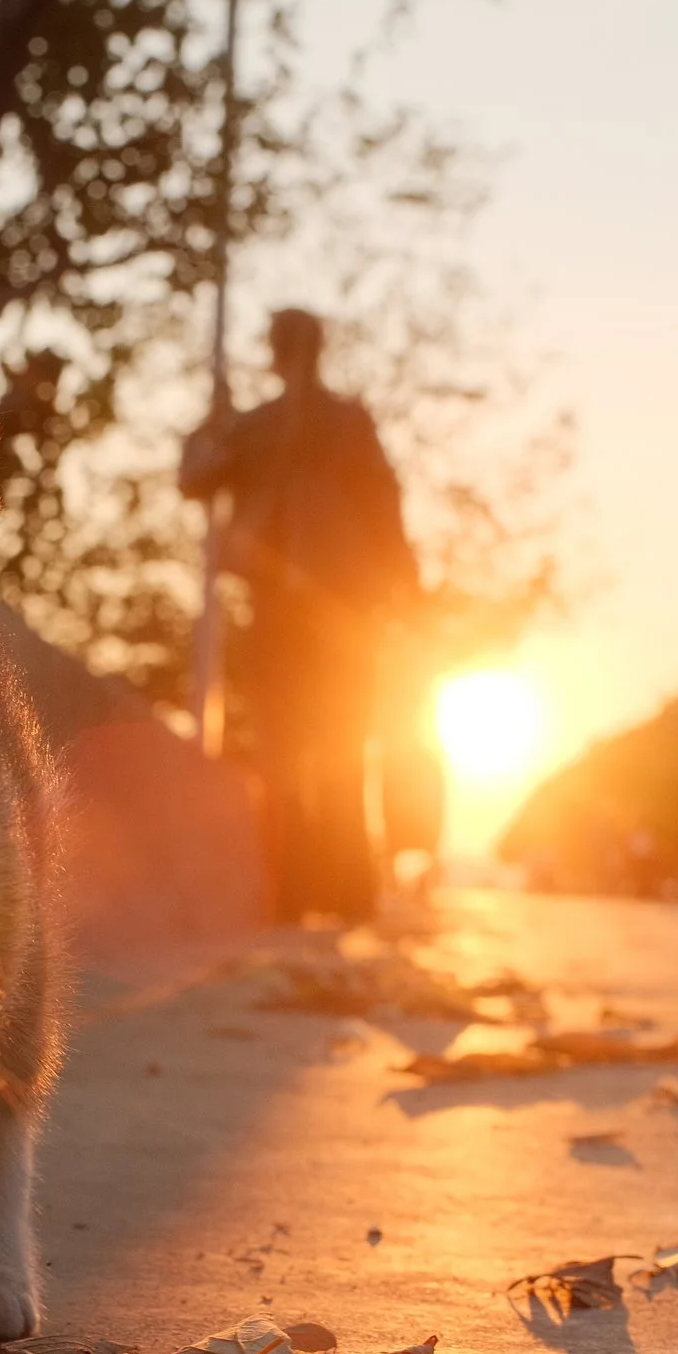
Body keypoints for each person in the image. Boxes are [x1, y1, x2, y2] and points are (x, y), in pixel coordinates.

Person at [180, 309, 424, 920]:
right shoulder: (292, 425)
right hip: (321, 609)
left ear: (278, 351)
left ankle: (303, 891)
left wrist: (211, 429)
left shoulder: (286, 426)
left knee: (305, 749)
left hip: (323, 611)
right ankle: (327, 891)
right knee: (318, 748)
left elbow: (196, 476)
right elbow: (387, 509)